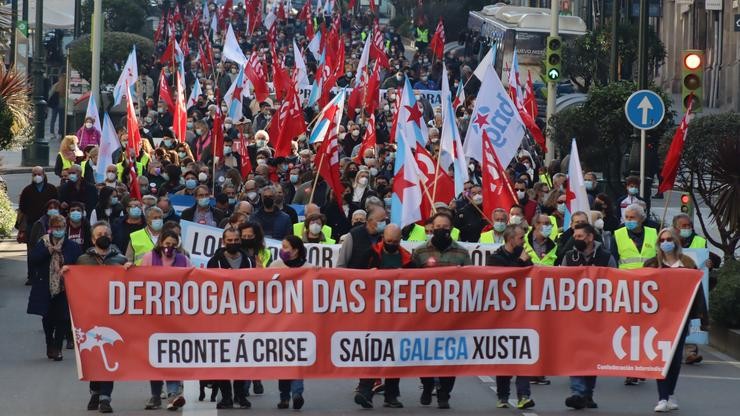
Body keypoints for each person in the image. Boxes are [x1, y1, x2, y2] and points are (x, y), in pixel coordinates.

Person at [411, 212, 471, 409]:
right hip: (424, 316)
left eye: (445, 227)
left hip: (452, 316)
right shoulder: (419, 252)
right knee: (424, 355)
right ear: (431, 228)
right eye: (437, 227)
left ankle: (444, 394)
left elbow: (471, 282)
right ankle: (427, 386)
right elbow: (408, 282)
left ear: (451, 229)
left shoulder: (462, 253)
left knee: (450, 357)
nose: (441, 231)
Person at [644, 228, 707, 412]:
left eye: (669, 239)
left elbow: (697, 292)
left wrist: (702, 318)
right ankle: (662, 397)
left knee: (675, 356)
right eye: (662, 239)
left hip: (680, 318)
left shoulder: (687, 264)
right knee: (662, 357)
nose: (666, 242)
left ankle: (670, 394)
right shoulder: (652, 264)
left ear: (676, 241)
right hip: (657, 319)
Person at [354, 224, 411, 409]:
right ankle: (365, 390)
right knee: (373, 352)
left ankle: (391, 395)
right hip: (374, 314)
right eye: (388, 241)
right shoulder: (370, 255)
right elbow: (352, 275)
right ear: (382, 239)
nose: (391, 244)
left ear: (400, 241)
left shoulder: (408, 260)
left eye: (395, 241)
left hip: (398, 314)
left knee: (395, 355)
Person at [75, 221, 129, 413]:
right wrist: (67, 273)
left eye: (106, 233)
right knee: (94, 355)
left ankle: (105, 398)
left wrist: (132, 270)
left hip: (113, 316)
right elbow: (76, 284)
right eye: (99, 234)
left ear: (111, 237)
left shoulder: (121, 260)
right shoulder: (82, 260)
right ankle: (95, 391)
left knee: (109, 351)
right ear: (92, 238)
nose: (103, 236)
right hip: (90, 315)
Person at [561, 223, 616, 410]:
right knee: (576, 353)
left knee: (591, 355)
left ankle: (588, 393)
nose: (576, 240)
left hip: (597, 315)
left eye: (579, 236)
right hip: (574, 314)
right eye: (575, 236)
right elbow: (560, 283)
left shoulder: (605, 257)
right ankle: (577, 392)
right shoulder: (569, 257)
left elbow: (615, 282)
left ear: (590, 237)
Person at [485, 225, 535, 409]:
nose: (523, 242)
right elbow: (504, 278)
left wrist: (525, 263)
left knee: (523, 355)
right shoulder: (495, 258)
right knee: (505, 356)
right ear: (510, 239)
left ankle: (524, 395)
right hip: (502, 316)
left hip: (523, 314)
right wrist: (521, 263)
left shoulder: (525, 256)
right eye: (521, 238)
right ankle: (503, 396)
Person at [138, 230, 188, 410]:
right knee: (156, 355)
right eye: (167, 244)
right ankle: (155, 394)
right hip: (154, 315)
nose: (170, 248)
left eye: (173, 244)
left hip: (176, 315)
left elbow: (194, 279)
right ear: (160, 243)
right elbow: (139, 280)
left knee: (173, 353)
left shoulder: (182, 259)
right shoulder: (149, 257)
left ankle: (173, 394)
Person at [206, 228, 254, 409]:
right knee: (222, 357)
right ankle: (226, 396)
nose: (233, 242)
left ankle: (240, 395)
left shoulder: (248, 260)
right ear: (224, 241)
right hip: (221, 316)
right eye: (230, 240)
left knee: (243, 357)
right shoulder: (214, 261)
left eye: (236, 239)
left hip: (244, 317)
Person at [26, 215, 83, 362]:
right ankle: (49, 343)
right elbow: (33, 259)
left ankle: (58, 348)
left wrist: (67, 268)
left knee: (63, 318)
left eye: (62, 227)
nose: (59, 230)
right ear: (51, 228)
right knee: (47, 318)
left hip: (64, 287)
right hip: (45, 285)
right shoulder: (43, 243)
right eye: (56, 227)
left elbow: (79, 265)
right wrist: (49, 251)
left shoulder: (72, 246)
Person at [269, 235, 310, 410]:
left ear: (296, 249)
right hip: (280, 322)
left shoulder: (310, 269)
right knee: (283, 361)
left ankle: (297, 393)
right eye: (282, 247)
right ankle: (284, 396)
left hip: (301, 322)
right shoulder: (275, 266)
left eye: (286, 247)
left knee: (297, 358)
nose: (282, 250)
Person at [18, 167, 58, 284]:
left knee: (50, 248)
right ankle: (31, 276)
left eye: (39, 174)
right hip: (32, 224)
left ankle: (48, 274)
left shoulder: (51, 189)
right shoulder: (27, 190)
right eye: (34, 174)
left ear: (44, 174)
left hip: (49, 223)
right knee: (32, 250)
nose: (37, 176)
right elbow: (23, 208)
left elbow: (56, 203)